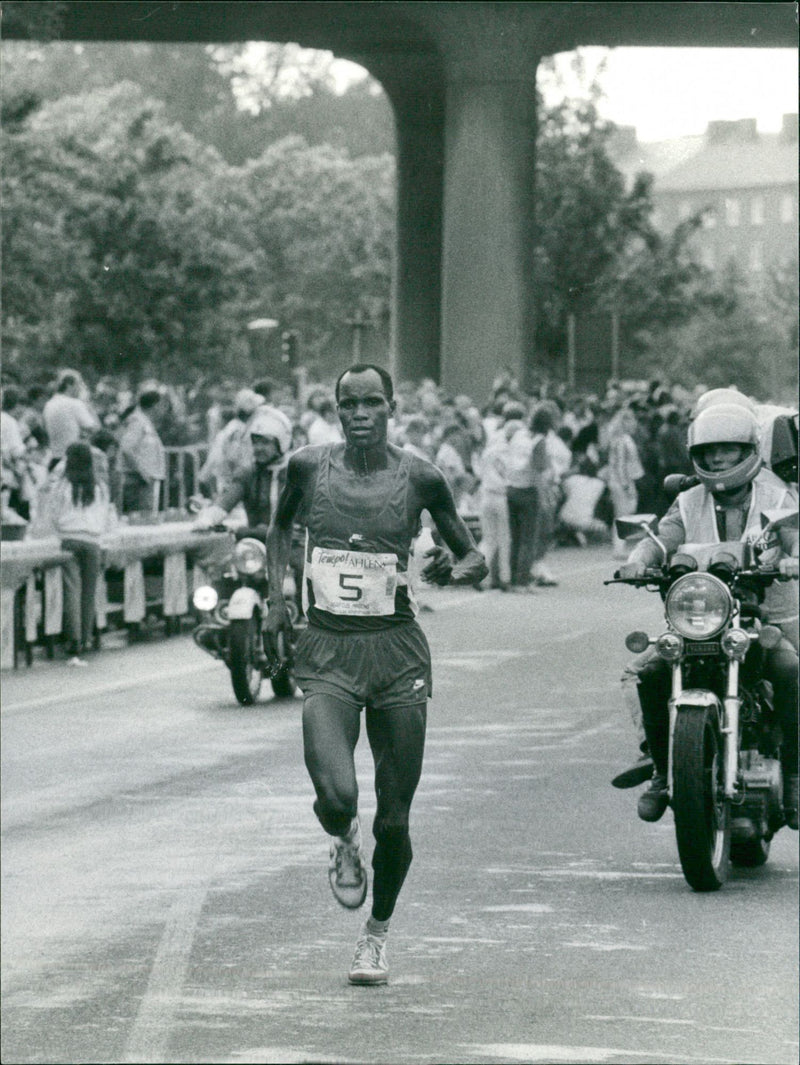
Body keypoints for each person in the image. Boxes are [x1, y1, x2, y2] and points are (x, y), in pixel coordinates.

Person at [264, 363, 487, 986]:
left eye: (371, 404)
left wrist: (453, 568)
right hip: (329, 650)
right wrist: (277, 599)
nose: (359, 414)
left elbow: (475, 557)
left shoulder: (420, 477)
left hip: (396, 657)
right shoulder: (308, 467)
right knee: (337, 795)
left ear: (391, 407)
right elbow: (279, 528)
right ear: (336, 410)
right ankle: (341, 838)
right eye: (348, 404)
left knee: (395, 819)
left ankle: (376, 935)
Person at [617, 402, 799, 829]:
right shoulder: (688, 499)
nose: (718, 459)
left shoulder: (777, 495)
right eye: (711, 450)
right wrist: (637, 559)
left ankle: (794, 775)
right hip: (698, 615)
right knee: (650, 673)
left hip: (757, 615)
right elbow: (661, 540)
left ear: (748, 450)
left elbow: (792, 534)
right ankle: (663, 773)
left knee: (790, 670)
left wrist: (793, 556)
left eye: (729, 450)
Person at [39, 442, 119, 665]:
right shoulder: (100, 487)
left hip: (69, 540)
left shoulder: (63, 486)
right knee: (89, 592)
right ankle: (85, 638)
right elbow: (105, 517)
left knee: (72, 590)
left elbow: (52, 513)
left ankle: (72, 640)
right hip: (93, 542)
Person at [118, 387, 166, 517]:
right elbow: (127, 448)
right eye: (162, 404)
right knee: (143, 520)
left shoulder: (145, 422)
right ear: (155, 405)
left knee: (147, 517)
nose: (163, 408)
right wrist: (142, 473)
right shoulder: (137, 421)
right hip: (138, 482)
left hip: (144, 481)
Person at [42, 372, 99, 470]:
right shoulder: (75, 404)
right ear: (69, 385)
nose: (81, 388)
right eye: (79, 384)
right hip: (74, 460)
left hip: (55, 458)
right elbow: (96, 429)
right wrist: (88, 405)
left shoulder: (49, 404)